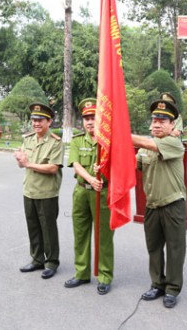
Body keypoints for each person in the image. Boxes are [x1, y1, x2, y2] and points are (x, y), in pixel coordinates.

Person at [132, 99, 186, 309]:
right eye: (154, 119)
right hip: (152, 204)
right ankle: (157, 284)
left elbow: (147, 143)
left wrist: (119, 134)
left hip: (172, 204)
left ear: (173, 125)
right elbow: (133, 166)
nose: (157, 124)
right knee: (154, 247)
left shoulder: (173, 143)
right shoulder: (144, 150)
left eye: (163, 120)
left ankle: (172, 288)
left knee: (175, 248)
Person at [64, 98, 114, 295]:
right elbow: (75, 164)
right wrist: (90, 178)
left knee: (104, 236)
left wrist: (103, 172)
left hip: (102, 193)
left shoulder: (108, 142)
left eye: (93, 117)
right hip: (81, 191)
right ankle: (82, 273)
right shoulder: (77, 140)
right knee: (81, 233)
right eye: (86, 118)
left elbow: (117, 167)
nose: (89, 122)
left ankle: (104, 275)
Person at [14, 103, 64, 280]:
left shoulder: (55, 142)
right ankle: (37, 259)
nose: (36, 123)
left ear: (49, 122)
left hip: (47, 193)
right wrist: (20, 160)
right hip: (29, 190)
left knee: (48, 229)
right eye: (34, 120)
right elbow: (23, 164)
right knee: (33, 226)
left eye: (40, 120)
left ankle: (51, 262)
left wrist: (28, 164)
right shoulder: (28, 139)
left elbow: (52, 168)